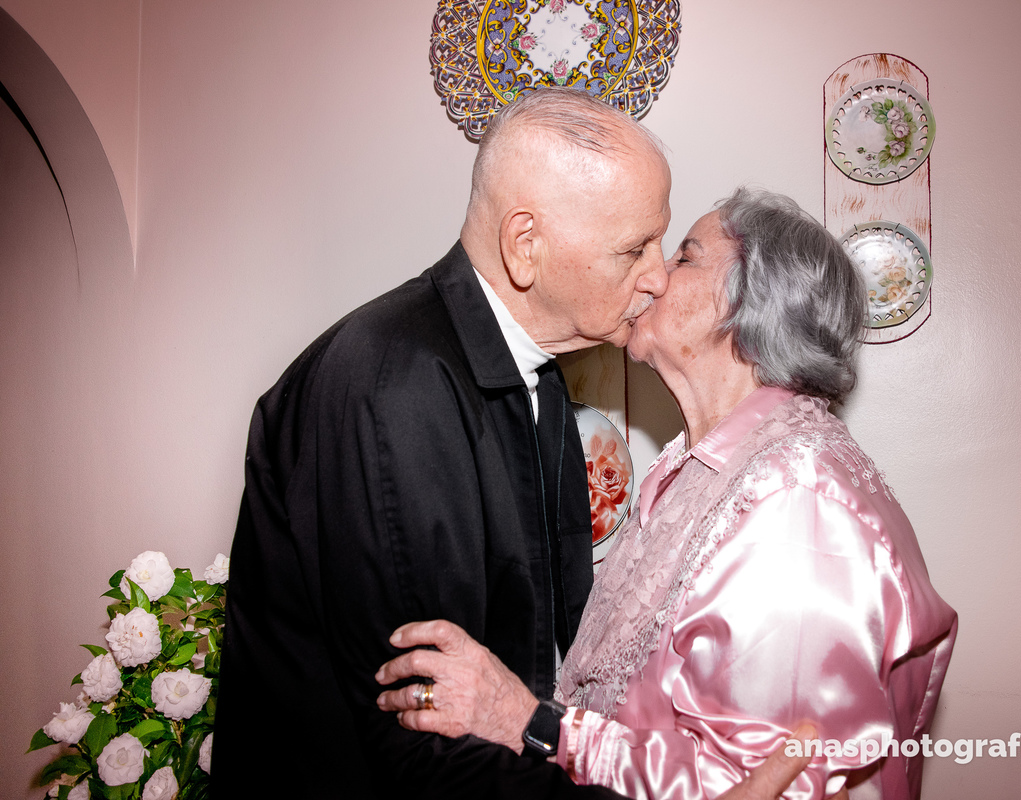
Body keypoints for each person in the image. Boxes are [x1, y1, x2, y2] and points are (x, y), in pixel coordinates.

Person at [375, 188, 959, 799]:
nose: (651, 277)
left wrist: (529, 721)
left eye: (685, 256)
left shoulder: (796, 503)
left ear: (746, 304)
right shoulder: (695, 463)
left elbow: (758, 784)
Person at [214, 87, 672, 797]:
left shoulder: (539, 377)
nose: (659, 275)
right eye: (635, 248)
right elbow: (423, 743)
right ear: (526, 246)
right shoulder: (394, 389)